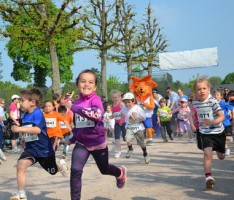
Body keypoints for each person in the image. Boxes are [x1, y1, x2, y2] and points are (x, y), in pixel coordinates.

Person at [69, 69, 127, 200]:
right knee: (75, 171)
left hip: (97, 143)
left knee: (104, 169)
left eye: (90, 82)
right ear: (77, 84)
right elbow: (78, 124)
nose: (86, 84)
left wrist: (73, 107)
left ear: (95, 86)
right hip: (82, 144)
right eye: (83, 81)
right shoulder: (77, 102)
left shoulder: (95, 100)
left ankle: (120, 172)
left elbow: (96, 116)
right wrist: (73, 138)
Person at [10, 88, 69, 200]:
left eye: (22, 100)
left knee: (53, 171)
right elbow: (27, 128)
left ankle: (60, 165)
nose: (20, 102)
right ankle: (21, 194)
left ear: (32, 102)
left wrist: (18, 129)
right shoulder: (24, 115)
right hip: (31, 149)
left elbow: (37, 130)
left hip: (44, 150)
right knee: (20, 165)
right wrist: (23, 137)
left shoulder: (38, 113)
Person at [192, 77, 230, 190]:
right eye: (199, 89)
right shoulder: (195, 103)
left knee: (221, 156)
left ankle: (223, 147)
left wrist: (212, 122)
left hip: (218, 132)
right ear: (195, 91)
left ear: (209, 89)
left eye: (204, 88)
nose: (202, 91)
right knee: (207, 153)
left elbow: (222, 116)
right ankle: (208, 177)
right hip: (205, 133)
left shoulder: (213, 102)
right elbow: (192, 115)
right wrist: (193, 124)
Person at [121, 92, 151, 164]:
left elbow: (144, 118)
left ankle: (145, 154)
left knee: (141, 144)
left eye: (129, 102)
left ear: (133, 101)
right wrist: (116, 116)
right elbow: (121, 113)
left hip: (138, 127)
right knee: (127, 138)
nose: (127, 104)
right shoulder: (124, 108)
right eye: (125, 102)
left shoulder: (138, 108)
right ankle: (130, 149)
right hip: (129, 126)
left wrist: (137, 116)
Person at [213, 89, 233, 156]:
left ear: (221, 96)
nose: (215, 96)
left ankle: (230, 138)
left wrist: (232, 115)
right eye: (214, 94)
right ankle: (227, 149)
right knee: (222, 137)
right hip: (219, 125)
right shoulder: (212, 104)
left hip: (226, 123)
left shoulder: (223, 103)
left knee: (228, 138)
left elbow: (232, 108)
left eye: (217, 95)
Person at [110, 89, 126, 158]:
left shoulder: (121, 104)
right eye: (113, 98)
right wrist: (112, 116)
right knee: (116, 138)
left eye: (116, 98)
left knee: (125, 138)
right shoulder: (112, 106)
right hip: (117, 124)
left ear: (119, 97)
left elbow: (124, 113)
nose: (114, 99)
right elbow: (114, 114)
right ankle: (119, 151)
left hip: (124, 123)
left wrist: (122, 120)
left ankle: (130, 148)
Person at [0, 98, 7, 163]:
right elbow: (0, 119)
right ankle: (1, 156)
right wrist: (3, 125)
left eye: (4, 103)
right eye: (2, 103)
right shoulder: (1, 109)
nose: (3, 104)